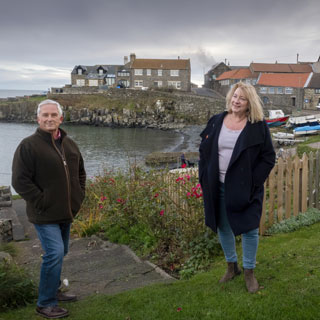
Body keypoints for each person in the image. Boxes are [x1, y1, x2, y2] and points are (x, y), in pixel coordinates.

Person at [12, 99, 86, 318]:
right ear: (38, 119)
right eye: (45, 115)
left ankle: (53, 290)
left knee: (62, 252)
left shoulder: (70, 144)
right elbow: (20, 181)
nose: (49, 118)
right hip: (44, 214)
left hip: (66, 211)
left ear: (61, 118)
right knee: (54, 253)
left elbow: (80, 172)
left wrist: (79, 195)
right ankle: (45, 303)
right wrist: (42, 200)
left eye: (54, 115)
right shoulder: (28, 145)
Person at [199, 82, 275, 293]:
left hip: (246, 188)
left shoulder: (258, 126)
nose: (236, 101)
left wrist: (254, 182)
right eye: (234, 96)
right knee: (223, 227)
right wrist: (203, 176)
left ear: (249, 103)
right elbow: (204, 151)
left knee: (249, 229)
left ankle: (249, 272)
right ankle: (231, 267)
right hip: (217, 186)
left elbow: (268, 157)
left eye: (241, 98)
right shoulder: (217, 121)